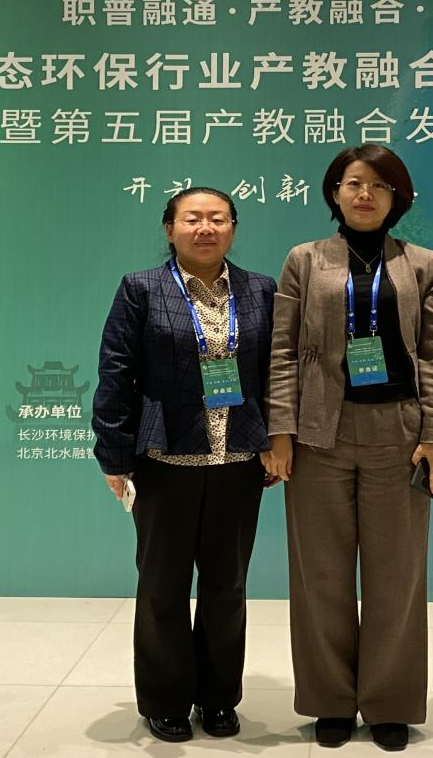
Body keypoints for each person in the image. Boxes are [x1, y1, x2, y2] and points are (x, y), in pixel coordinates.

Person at [262, 144, 433, 752]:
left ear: (397, 197)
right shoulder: (305, 259)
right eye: (353, 183)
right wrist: (279, 429)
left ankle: (390, 701)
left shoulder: (421, 263)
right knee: (319, 574)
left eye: (379, 185)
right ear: (335, 193)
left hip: (400, 435)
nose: (365, 194)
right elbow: (283, 349)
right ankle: (330, 702)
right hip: (319, 432)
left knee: (397, 575)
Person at [91, 187, 276, 744]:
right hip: (164, 459)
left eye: (217, 218)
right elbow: (115, 371)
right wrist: (114, 454)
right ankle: (166, 699)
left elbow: (275, 372)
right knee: (162, 586)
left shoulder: (261, 289)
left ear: (233, 228)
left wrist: (277, 440)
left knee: (227, 586)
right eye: (192, 218)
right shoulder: (141, 288)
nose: (205, 228)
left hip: (238, 457)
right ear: (169, 229)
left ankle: (218, 698)